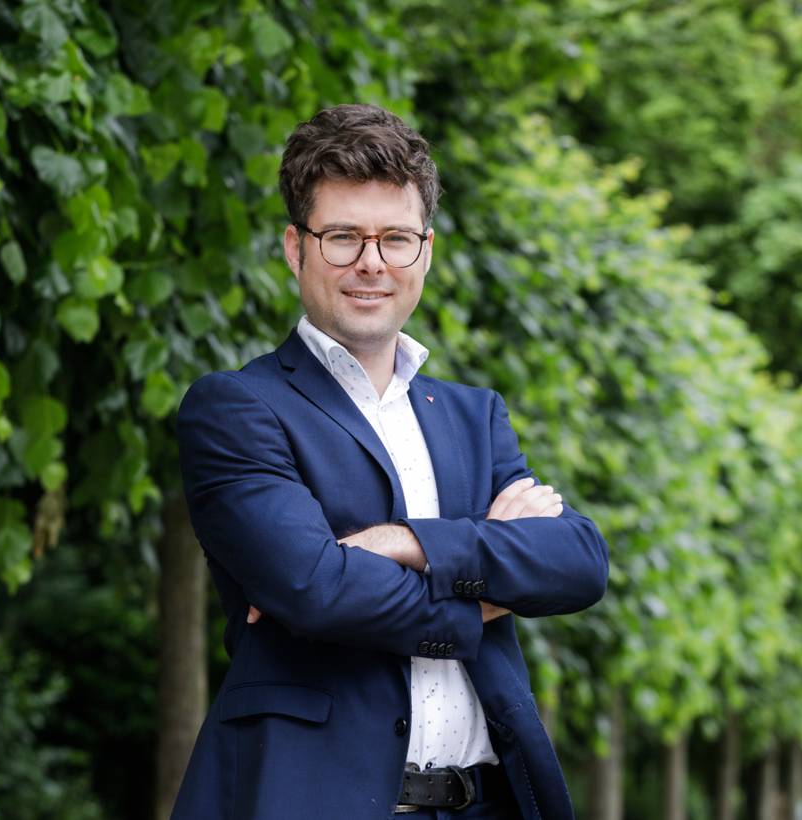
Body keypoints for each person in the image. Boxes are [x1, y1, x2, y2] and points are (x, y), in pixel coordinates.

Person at [172, 104, 608, 820]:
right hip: (311, 800)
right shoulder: (236, 407)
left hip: (486, 803)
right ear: (295, 248)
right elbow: (317, 591)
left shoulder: (474, 414)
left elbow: (580, 561)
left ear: (425, 253)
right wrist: (488, 581)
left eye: (396, 239)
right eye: (343, 237)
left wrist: (401, 542)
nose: (371, 262)